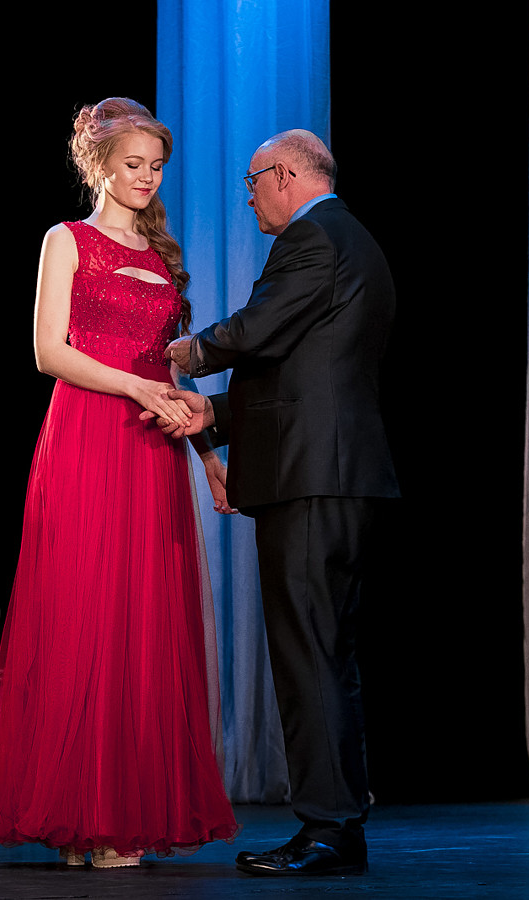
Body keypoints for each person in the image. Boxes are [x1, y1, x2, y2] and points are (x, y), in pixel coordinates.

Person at [0, 98, 239, 867]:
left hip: (152, 449)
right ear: (98, 164)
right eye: (133, 164)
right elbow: (47, 353)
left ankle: (117, 815)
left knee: (142, 624)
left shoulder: (159, 255)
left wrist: (209, 454)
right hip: (88, 435)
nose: (146, 178)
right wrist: (132, 387)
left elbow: (169, 371)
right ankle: (78, 814)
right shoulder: (67, 239)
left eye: (155, 166)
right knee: (83, 615)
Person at [160, 130, 399, 876]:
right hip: (332, 473)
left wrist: (189, 352)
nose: (249, 197)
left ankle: (328, 829)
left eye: (253, 181)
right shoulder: (348, 240)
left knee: (308, 656)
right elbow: (302, 372)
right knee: (323, 654)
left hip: (313, 476)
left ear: (286, 174)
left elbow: (260, 330)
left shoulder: (314, 237)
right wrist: (215, 415)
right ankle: (338, 823)